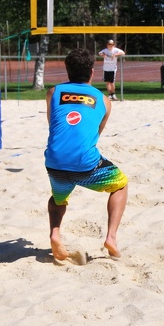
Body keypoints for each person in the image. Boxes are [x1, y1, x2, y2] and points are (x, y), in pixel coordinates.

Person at [45, 48, 129, 261]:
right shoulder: (104, 100)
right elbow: (95, 134)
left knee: (58, 199)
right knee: (121, 185)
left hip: (54, 161)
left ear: (67, 70)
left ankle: (55, 233)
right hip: (85, 163)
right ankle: (111, 237)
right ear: (92, 72)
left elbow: (53, 124)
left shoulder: (53, 92)